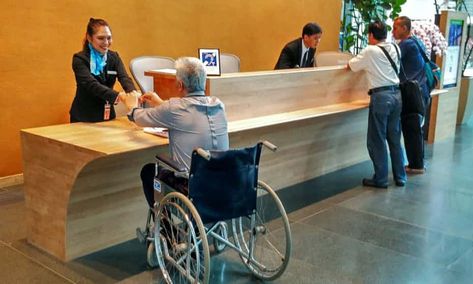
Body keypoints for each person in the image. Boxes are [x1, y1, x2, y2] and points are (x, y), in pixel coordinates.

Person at [126, 57, 229, 207]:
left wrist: (131, 105)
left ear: (179, 84)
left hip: (191, 188)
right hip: (222, 183)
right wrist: (161, 103)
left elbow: (138, 118)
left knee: (148, 171)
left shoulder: (174, 108)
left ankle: (164, 226)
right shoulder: (218, 105)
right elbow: (189, 112)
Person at [347, 21, 407, 188]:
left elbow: (351, 66)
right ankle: (400, 176)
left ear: (371, 35)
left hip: (381, 98)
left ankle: (380, 179)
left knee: (377, 139)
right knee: (394, 137)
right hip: (397, 95)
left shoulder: (370, 51)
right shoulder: (396, 47)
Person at [70, 18, 136, 123]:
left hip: (108, 116)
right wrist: (119, 96)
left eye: (109, 38)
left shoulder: (114, 57)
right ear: (89, 38)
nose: (106, 42)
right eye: (101, 38)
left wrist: (132, 93)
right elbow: (91, 84)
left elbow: (124, 78)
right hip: (84, 117)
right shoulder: (80, 59)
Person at [392, 16, 428, 174]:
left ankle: (416, 165)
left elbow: (391, 61)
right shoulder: (416, 41)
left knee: (411, 129)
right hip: (421, 91)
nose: (393, 31)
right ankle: (417, 163)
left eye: (395, 27)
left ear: (404, 28)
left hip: (412, 93)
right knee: (416, 129)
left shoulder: (406, 45)